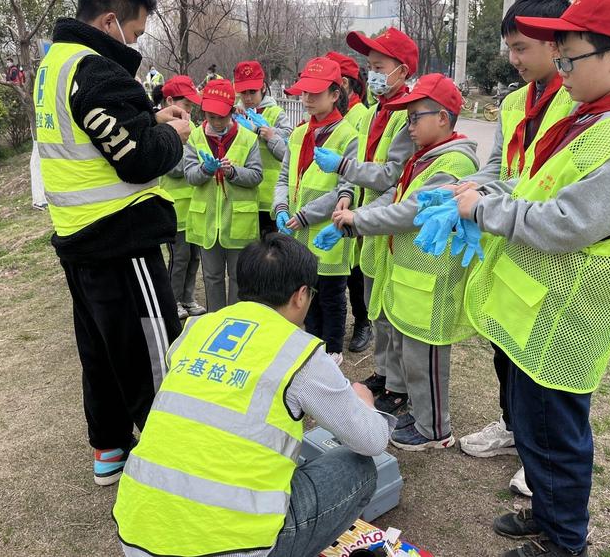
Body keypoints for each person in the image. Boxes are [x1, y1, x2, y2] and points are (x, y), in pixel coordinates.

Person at [449, 0, 610, 557]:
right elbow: (531, 180)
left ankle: (564, 540)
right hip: (540, 307)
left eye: (569, 59)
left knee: (557, 436)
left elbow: (568, 222)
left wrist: (486, 207)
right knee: (535, 426)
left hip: (570, 315)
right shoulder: (591, 118)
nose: (561, 71)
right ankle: (546, 513)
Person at [113, 234, 393, 557]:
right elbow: (371, 441)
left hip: (136, 533)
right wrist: (365, 402)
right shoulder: (299, 351)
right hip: (235, 547)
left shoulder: (197, 328)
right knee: (358, 469)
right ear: (301, 296)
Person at [33, 0, 192, 486]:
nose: (137, 42)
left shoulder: (53, 64)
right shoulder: (95, 70)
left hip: (77, 237)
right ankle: (174, 459)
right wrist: (174, 136)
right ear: (108, 23)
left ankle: (110, 450)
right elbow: (139, 158)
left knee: (100, 350)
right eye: (137, 31)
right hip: (120, 237)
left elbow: (101, 131)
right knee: (154, 351)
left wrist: (148, 117)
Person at [456, 0, 574, 498]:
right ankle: (512, 428)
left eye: (522, 47)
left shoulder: (581, 103)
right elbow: (502, 166)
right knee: (505, 349)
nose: (513, 58)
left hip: (547, 248)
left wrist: (488, 197)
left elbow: (555, 187)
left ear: (557, 42)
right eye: (510, 47)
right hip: (506, 240)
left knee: (539, 366)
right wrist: (470, 189)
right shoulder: (511, 103)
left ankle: (537, 451)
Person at [323, 73, 478, 450]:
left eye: (415, 118)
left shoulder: (453, 163)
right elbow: (394, 197)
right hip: (413, 276)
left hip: (434, 278)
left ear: (443, 118)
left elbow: (407, 213)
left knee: (427, 357)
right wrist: (353, 220)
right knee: (411, 352)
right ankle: (420, 416)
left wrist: (357, 220)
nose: (408, 127)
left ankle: (435, 430)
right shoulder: (424, 158)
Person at [314, 27, 418, 413]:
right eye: (369, 66)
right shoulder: (375, 112)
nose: (370, 73)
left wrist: (346, 170)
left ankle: (400, 385)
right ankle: (385, 374)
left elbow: (392, 175)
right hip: (365, 221)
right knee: (376, 305)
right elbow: (357, 170)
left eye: (379, 66)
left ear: (401, 71)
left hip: (388, 222)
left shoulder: (408, 113)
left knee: (391, 309)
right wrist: (344, 202)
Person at [273, 57, 359, 366]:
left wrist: (308, 214)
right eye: (304, 93)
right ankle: (312, 346)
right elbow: (284, 178)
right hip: (298, 231)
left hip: (328, 231)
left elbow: (346, 187)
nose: (307, 99)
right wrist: (281, 206)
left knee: (332, 295)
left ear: (336, 94)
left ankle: (332, 350)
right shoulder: (299, 134)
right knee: (306, 293)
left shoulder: (348, 136)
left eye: (315, 93)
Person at [184, 78, 263, 311]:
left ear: (232, 111)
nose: (216, 122)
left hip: (238, 222)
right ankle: (216, 320)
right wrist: (205, 170)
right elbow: (190, 175)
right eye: (211, 116)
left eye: (221, 116)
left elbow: (256, 176)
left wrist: (232, 172)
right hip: (208, 224)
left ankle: (235, 322)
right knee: (212, 277)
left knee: (239, 278)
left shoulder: (248, 138)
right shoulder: (195, 137)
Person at [325, 50, 372, 353]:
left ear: (342, 83)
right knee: (340, 270)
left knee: (357, 270)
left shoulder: (361, 116)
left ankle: (363, 322)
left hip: (360, 201)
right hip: (337, 200)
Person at [160, 75, 207, 319]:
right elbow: (176, 168)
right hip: (175, 209)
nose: (190, 110)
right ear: (170, 101)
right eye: (186, 104)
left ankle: (188, 297)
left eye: (191, 105)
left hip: (196, 208)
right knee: (179, 258)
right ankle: (173, 300)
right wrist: (198, 163)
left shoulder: (195, 130)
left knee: (194, 256)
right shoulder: (161, 131)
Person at [232, 60, 294, 235]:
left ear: (263, 88)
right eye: (243, 92)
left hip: (270, 197)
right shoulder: (235, 114)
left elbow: (286, 152)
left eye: (252, 92)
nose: (248, 97)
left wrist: (268, 132)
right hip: (243, 197)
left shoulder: (276, 113)